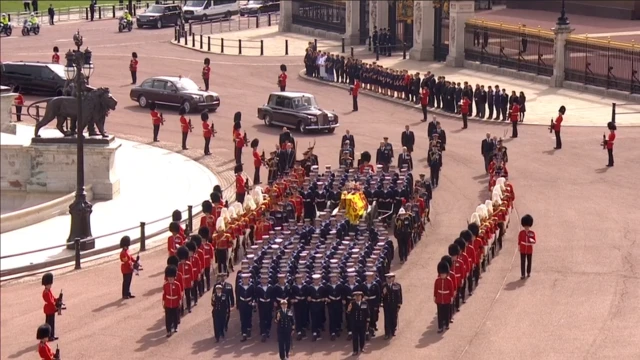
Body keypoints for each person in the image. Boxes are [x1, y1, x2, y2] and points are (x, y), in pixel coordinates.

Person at [434, 261, 454, 333]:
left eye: (443, 274)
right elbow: (436, 289)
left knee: (446, 312)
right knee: (440, 314)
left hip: (446, 299)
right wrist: (435, 296)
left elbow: (451, 289)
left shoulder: (449, 281)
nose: (442, 275)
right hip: (439, 299)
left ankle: (446, 324)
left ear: (446, 273)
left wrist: (451, 297)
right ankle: (440, 327)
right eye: (441, 274)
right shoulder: (437, 280)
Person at [347, 291, 369, 356]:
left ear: (361, 297)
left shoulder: (364, 303)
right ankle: (355, 350)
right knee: (355, 337)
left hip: (362, 323)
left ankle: (362, 347)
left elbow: (367, 313)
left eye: (359, 296)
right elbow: (348, 314)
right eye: (356, 296)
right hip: (355, 323)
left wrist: (367, 322)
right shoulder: (352, 304)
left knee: (362, 336)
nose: (357, 298)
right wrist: (348, 309)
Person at [163, 265, 183, 337]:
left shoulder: (177, 285)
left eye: (171, 278)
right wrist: (163, 301)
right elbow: (164, 294)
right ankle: (168, 331)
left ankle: (175, 327)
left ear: (174, 277)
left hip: (175, 303)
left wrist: (180, 301)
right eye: (169, 278)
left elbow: (179, 294)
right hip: (168, 303)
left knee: (175, 316)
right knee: (168, 318)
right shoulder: (165, 285)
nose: (170, 279)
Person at [381, 273, 402, 340]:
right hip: (387, 305)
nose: (389, 280)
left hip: (394, 304)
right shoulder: (384, 286)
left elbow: (399, 295)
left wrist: (399, 304)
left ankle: (393, 330)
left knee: (394, 317)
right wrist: (383, 293)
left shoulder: (397, 285)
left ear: (393, 278)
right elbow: (381, 296)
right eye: (387, 278)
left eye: (390, 278)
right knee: (387, 318)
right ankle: (387, 333)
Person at [41, 273, 59, 341]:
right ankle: (49, 336)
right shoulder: (46, 292)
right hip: (49, 309)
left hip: (50, 309)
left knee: (52, 323)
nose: (50, 286)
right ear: (46, 284)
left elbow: (52, 298)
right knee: (49, 323)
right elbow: (50, 302)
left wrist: (57, 299)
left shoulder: (48, 291)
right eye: (50, 284)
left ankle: (52, 335)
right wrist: (55, 307)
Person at [518, 214, 536, 279]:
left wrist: (531, 241)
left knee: (529, 262)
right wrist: (519, 247)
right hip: (523, 249)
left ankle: (528, 272)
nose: (526, 227)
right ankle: (523, 274)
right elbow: (519, 241)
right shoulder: (521, 233)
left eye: (527, 226)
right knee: (522, 262)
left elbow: (534, 240)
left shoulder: (532, 233)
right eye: (525, 226)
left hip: (529, 249)